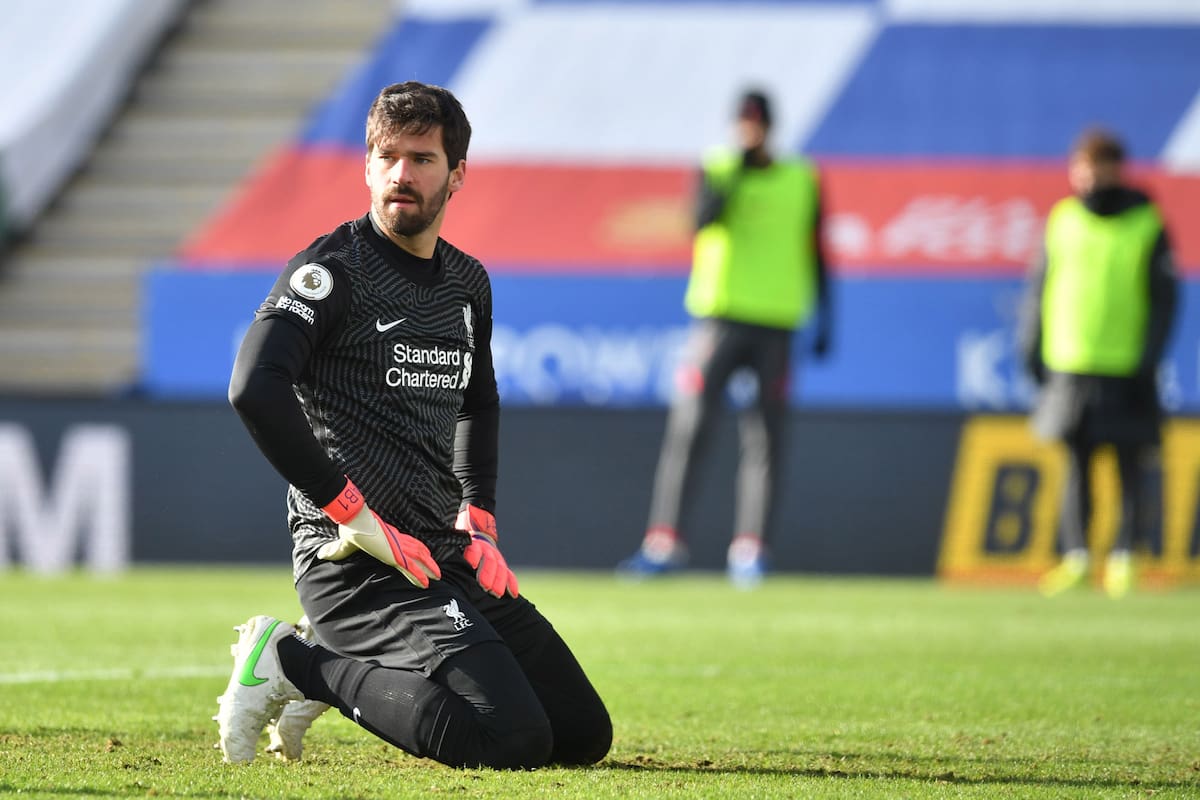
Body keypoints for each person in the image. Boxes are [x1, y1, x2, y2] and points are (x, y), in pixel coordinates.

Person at [219, 81, 612, 769]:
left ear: (457, 174)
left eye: (423, 159)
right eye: (388, 155)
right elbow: (254, 386)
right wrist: (348, 510)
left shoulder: (467, 284)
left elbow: (478, 402)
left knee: (580, 734)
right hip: (354, 561)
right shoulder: (330, 272)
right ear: (368, 165)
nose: (402, 173)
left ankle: (343, 662)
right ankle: (295, 661)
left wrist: (479, 516)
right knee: (512, 739)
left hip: (440, 556)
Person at [617, 88, 832, 588]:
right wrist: (736, 168)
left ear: (771, 126)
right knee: (690, 429)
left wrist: (826, 320)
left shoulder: (802, 177)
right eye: (742, 122)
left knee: (766, 438)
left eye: (755, 123)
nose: (748, 131)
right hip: (720, 320)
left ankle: (751, 550)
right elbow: (701, 219)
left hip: (777, 323)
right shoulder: (719, 167)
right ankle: (664, 542)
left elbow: (818, 251)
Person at [1020, 127, 1179, 599]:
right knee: (1076, 465)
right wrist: (1032, 346)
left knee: (1130, 465)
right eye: (1083, 168)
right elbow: (1039, 290)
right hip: (1071, 361)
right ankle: (1078, 558)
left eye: (1100, 168)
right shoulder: (1063, 219)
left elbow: (1164, 299)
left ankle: (1126, 557)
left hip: (1127, 364)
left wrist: (1149, 356)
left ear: (1118, 170)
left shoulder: (1146, 223)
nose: (1090, 178)